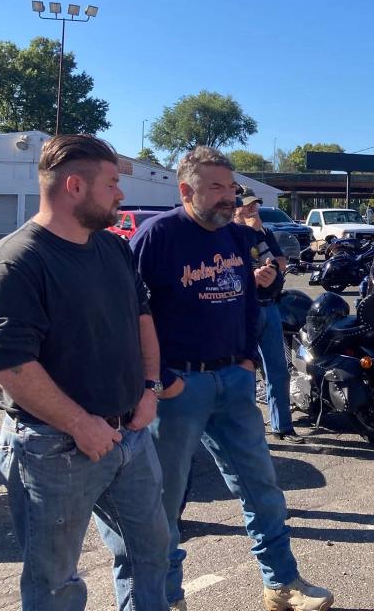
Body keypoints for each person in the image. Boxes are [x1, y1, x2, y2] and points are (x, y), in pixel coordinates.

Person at [0, 134, 170, 610]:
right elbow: (11, 364)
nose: (121, 194)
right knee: (55, 582)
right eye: (112, 183)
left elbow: (141, 317)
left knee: (150, 553)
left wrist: (150, 388)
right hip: (53, 448)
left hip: (130, 433)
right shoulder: (15, 263)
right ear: (75, 186)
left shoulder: (113, 248)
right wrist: (80, 423)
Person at [131, 146, 332, 611]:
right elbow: (127, 313)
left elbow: (250, 301)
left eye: (230, 187)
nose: (228, 196)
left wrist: (246, 359)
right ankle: (167, 597)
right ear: (186, 190)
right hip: (178, 387)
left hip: (234, 381)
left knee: (262, 488)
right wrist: (159, 379)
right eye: (216, 187)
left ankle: (282, 584)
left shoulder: (237, 237)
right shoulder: (156, 236)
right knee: (164, 502)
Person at [233, 188, 303, 445]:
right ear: (236, 208)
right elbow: (227, 269)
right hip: (244, 311)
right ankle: (249, 433)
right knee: (245, 374)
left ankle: (282, 427)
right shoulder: (230, 235)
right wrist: (250, 276)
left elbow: (281, 261)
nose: (253, 209)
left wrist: (270, 268)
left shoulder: (265, 232)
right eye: (247, 205)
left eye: (255, 205)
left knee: (278, 369)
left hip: (270, 306)